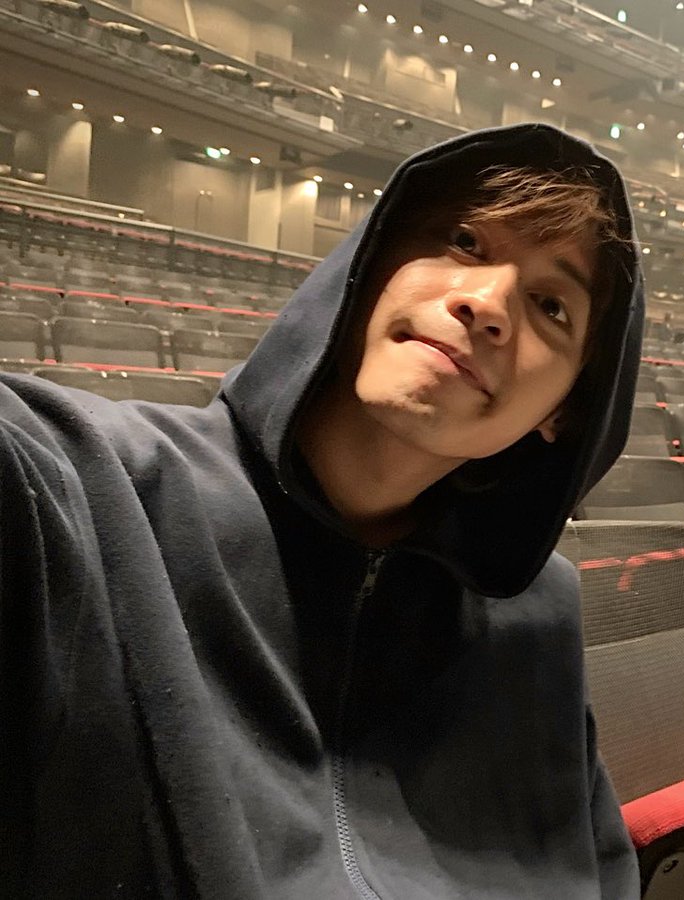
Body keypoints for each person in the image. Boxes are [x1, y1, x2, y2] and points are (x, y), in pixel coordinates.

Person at [0, 123, 644, 899]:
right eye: (464, 242)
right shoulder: (80, 480)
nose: (485, 304)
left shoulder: (538, 614)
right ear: (368, 267)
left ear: (564, 413)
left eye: (551, 306)